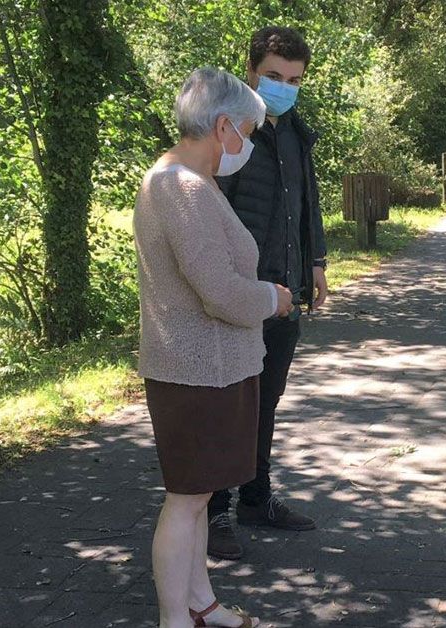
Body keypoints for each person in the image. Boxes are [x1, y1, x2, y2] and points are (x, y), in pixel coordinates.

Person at [133, 66, 292, 628]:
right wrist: (272, 299)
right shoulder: (183, 189)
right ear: (224, 126)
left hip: (209, 367)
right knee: (186, 500)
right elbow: (220, 292)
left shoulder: (184, 182)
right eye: (247, 133)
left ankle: (201, 606)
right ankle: (175, 619)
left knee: (198, 496)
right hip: (196, 371)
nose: (246, 145)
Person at [208, 25, 326, 559]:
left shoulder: (296, 131)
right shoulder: (228, 131)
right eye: (274, 76)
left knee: (267, 399)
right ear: (251, 70)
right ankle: (213, 512)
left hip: (285, 291)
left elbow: (308, 205)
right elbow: (208, 211)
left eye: (294, 79)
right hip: (237, 296)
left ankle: (257, 498)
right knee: (229, 404)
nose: (284, 86)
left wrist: (316, 264)